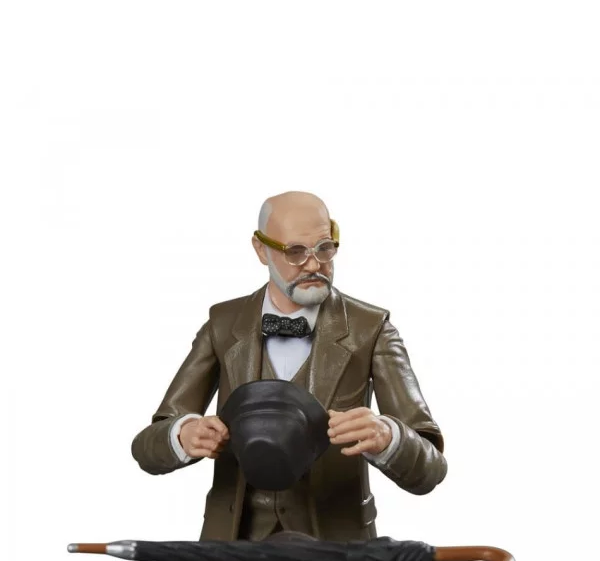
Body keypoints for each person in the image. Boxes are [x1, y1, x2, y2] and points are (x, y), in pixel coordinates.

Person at [132, 191, 447, 541]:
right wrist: (182, 434)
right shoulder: (222, 325)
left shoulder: (371, 330)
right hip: (233, 546)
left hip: (338, 546)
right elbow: (147, 447)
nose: (313, 265)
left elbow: (430, 469)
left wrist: (388, 438)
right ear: (260, 249)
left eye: (324, 248)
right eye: (295, 251)